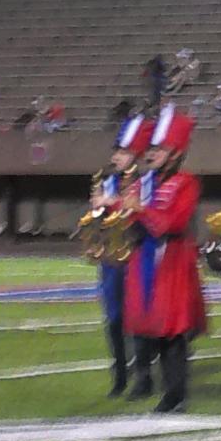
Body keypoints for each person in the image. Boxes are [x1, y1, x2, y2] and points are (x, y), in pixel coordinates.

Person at [125, 105, 208, 412]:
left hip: (172, 261)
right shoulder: (144, 182)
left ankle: (176, 394)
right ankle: (166, 389)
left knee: (173, 332)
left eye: (160, 149)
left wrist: (139, 209)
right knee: (155, 330)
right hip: (144, 260)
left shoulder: (186, 182)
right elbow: (127, 210)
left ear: (175, 153)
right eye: (154, 149)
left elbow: (173, 222)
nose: (153, 154)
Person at [92, 113, 151, 394]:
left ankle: (143, 375)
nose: (117, 157)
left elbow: (139, 211)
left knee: (139, 318)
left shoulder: (146, 182)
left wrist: (112, 203)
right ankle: (119, 375)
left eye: (123, 152)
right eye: (116, 151)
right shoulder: (107, 181)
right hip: (112, 259)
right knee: (114, 319)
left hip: (136, 255)